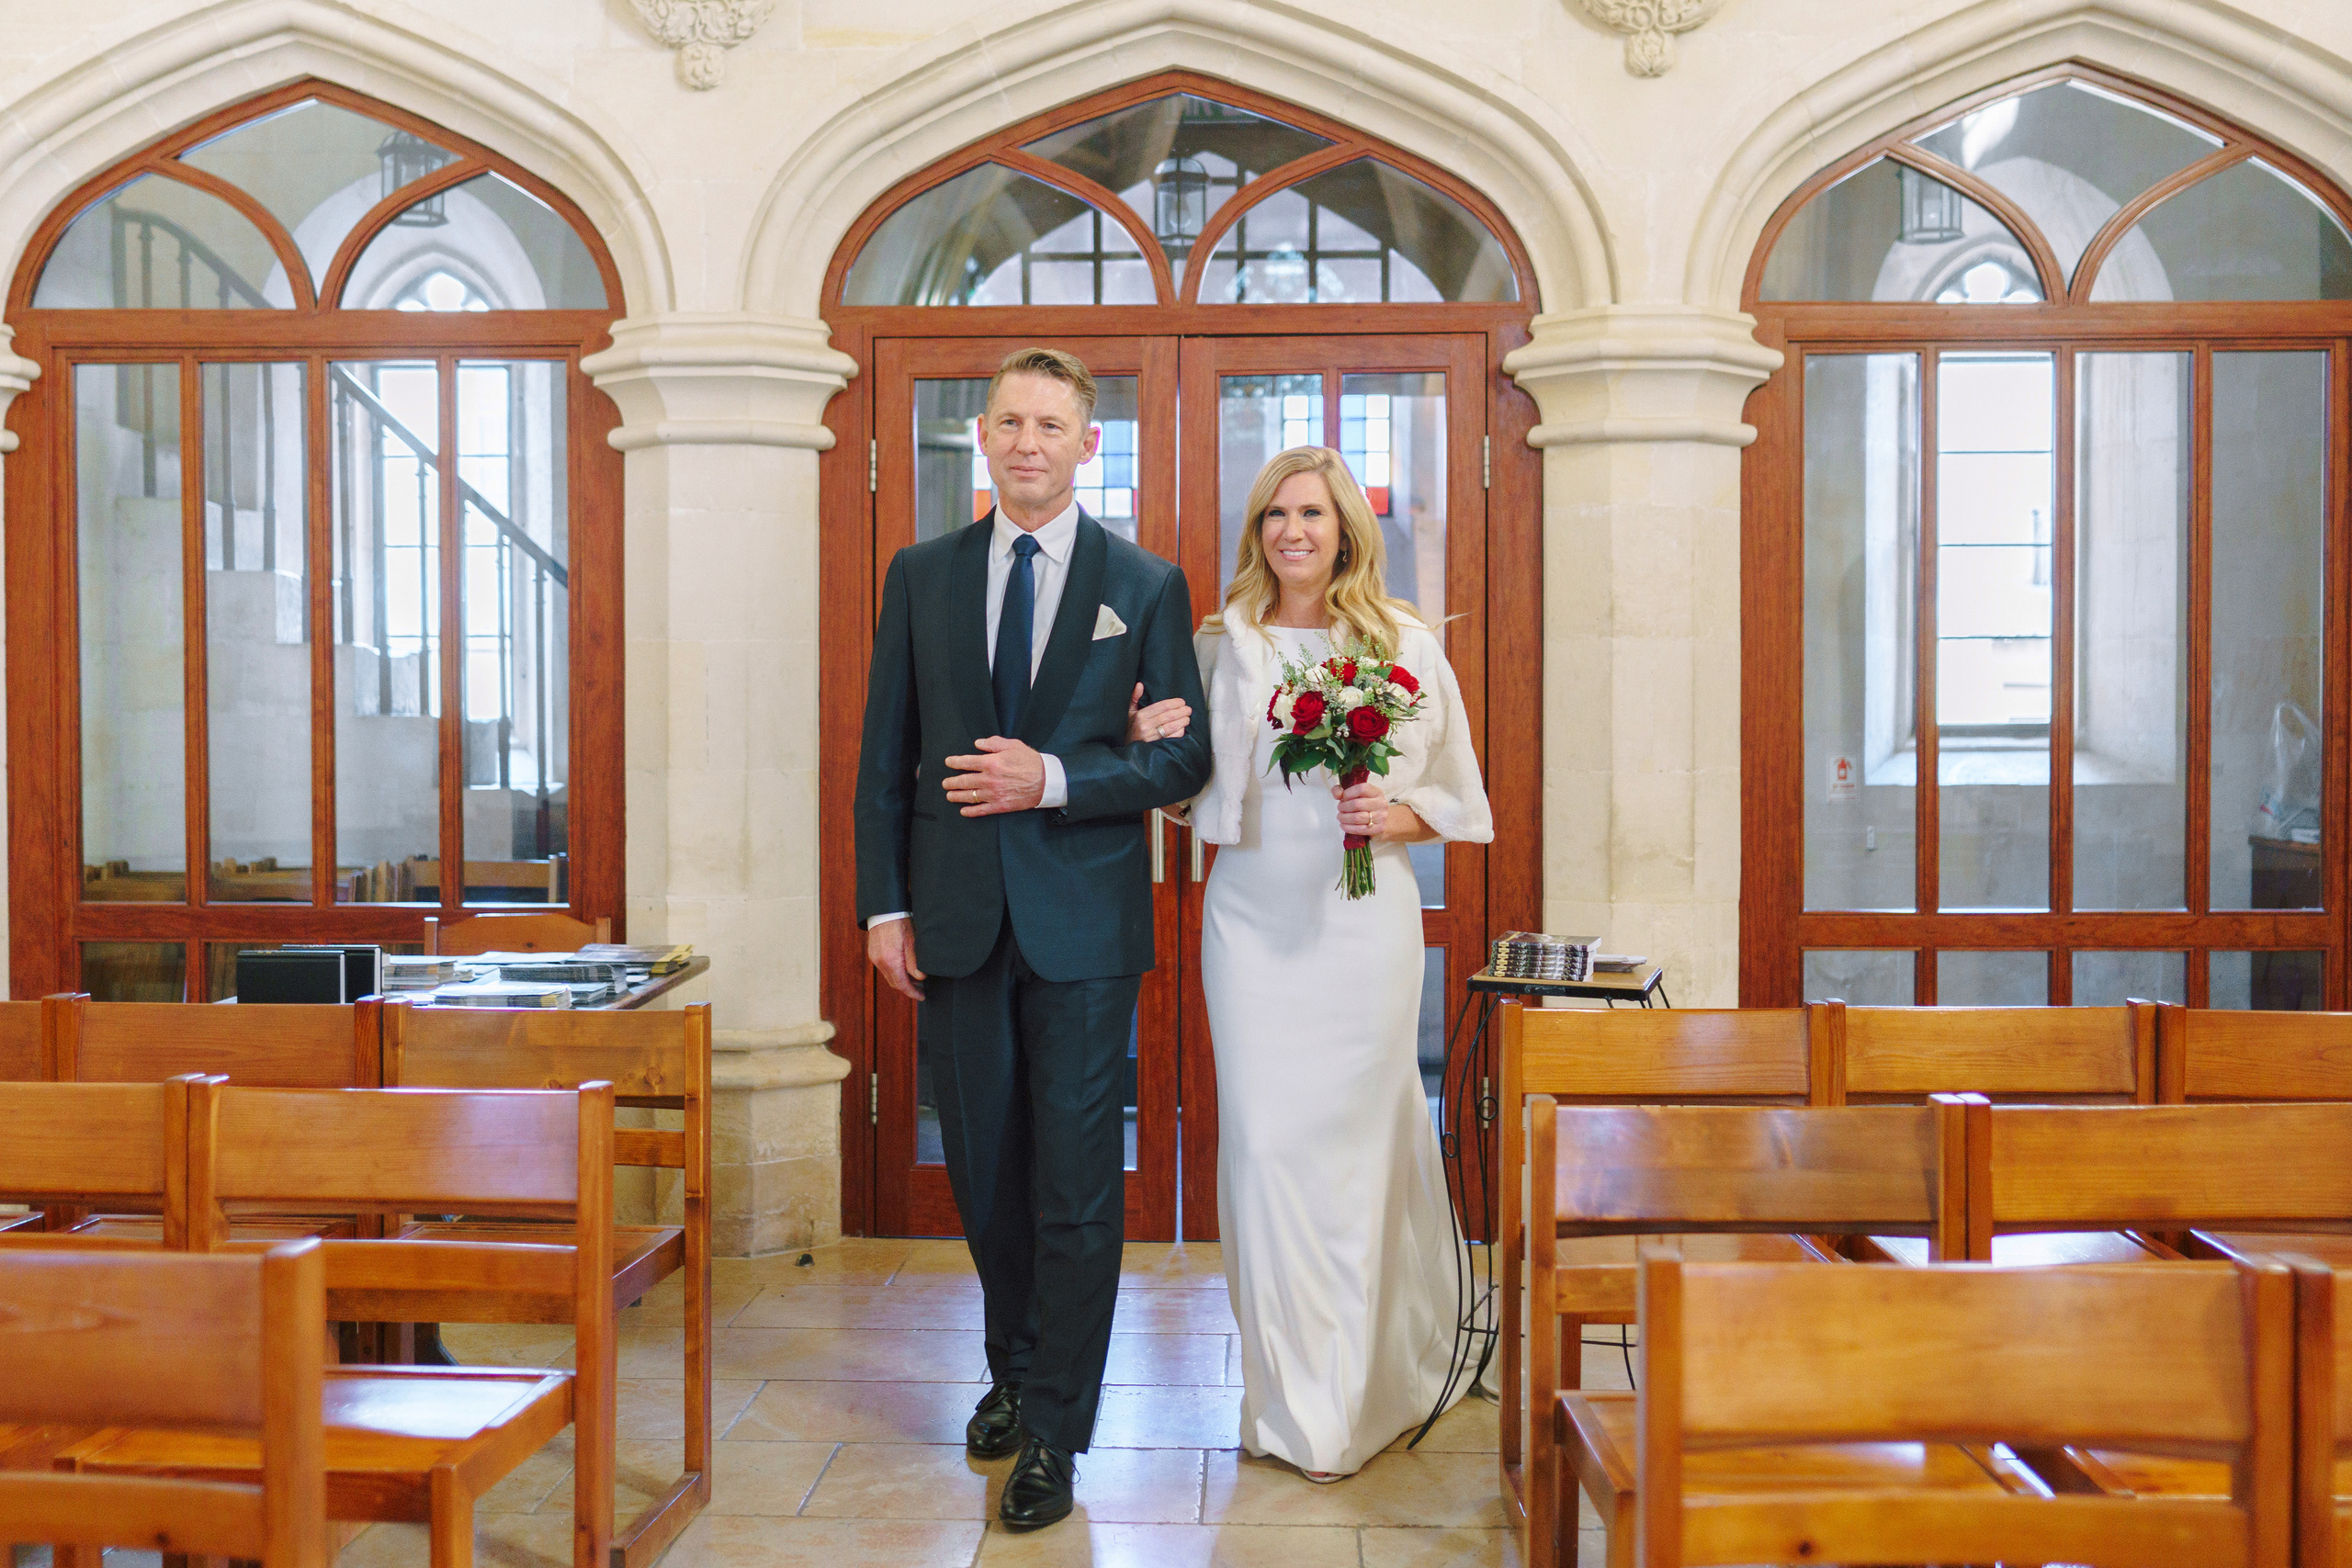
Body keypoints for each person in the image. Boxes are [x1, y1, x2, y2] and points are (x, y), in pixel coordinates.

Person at [854, 346, 1212, 1529]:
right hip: (952, 918)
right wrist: (883, 905)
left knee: (1072, 1185)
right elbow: (883, 759)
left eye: (1049, 424)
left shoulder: (1145, 583)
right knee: (982, 1173)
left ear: (1085, 443)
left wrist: (1053, 775)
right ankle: (1013, 1367)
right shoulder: (922, 573)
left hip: (1083, 925)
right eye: (1007, 421)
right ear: (984, 436)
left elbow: (1179, 756)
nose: (1025, 442)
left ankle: (1057, 1426)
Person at [1133, 446, 1492, 1480]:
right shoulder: (1221, 641)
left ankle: (1368, 1379)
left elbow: (1460, 800)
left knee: (1354, 1152)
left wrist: (1397, 813)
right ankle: (1293, 1398)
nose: (1294, 531)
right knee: (1264, 1151)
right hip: (1247, 926)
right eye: (1276, 515)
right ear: (1258, 532)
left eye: (1314, 514)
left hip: (1362, 927)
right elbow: (1178, 783)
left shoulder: (1407, 643)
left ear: (1346, 532)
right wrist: (1138, 734)